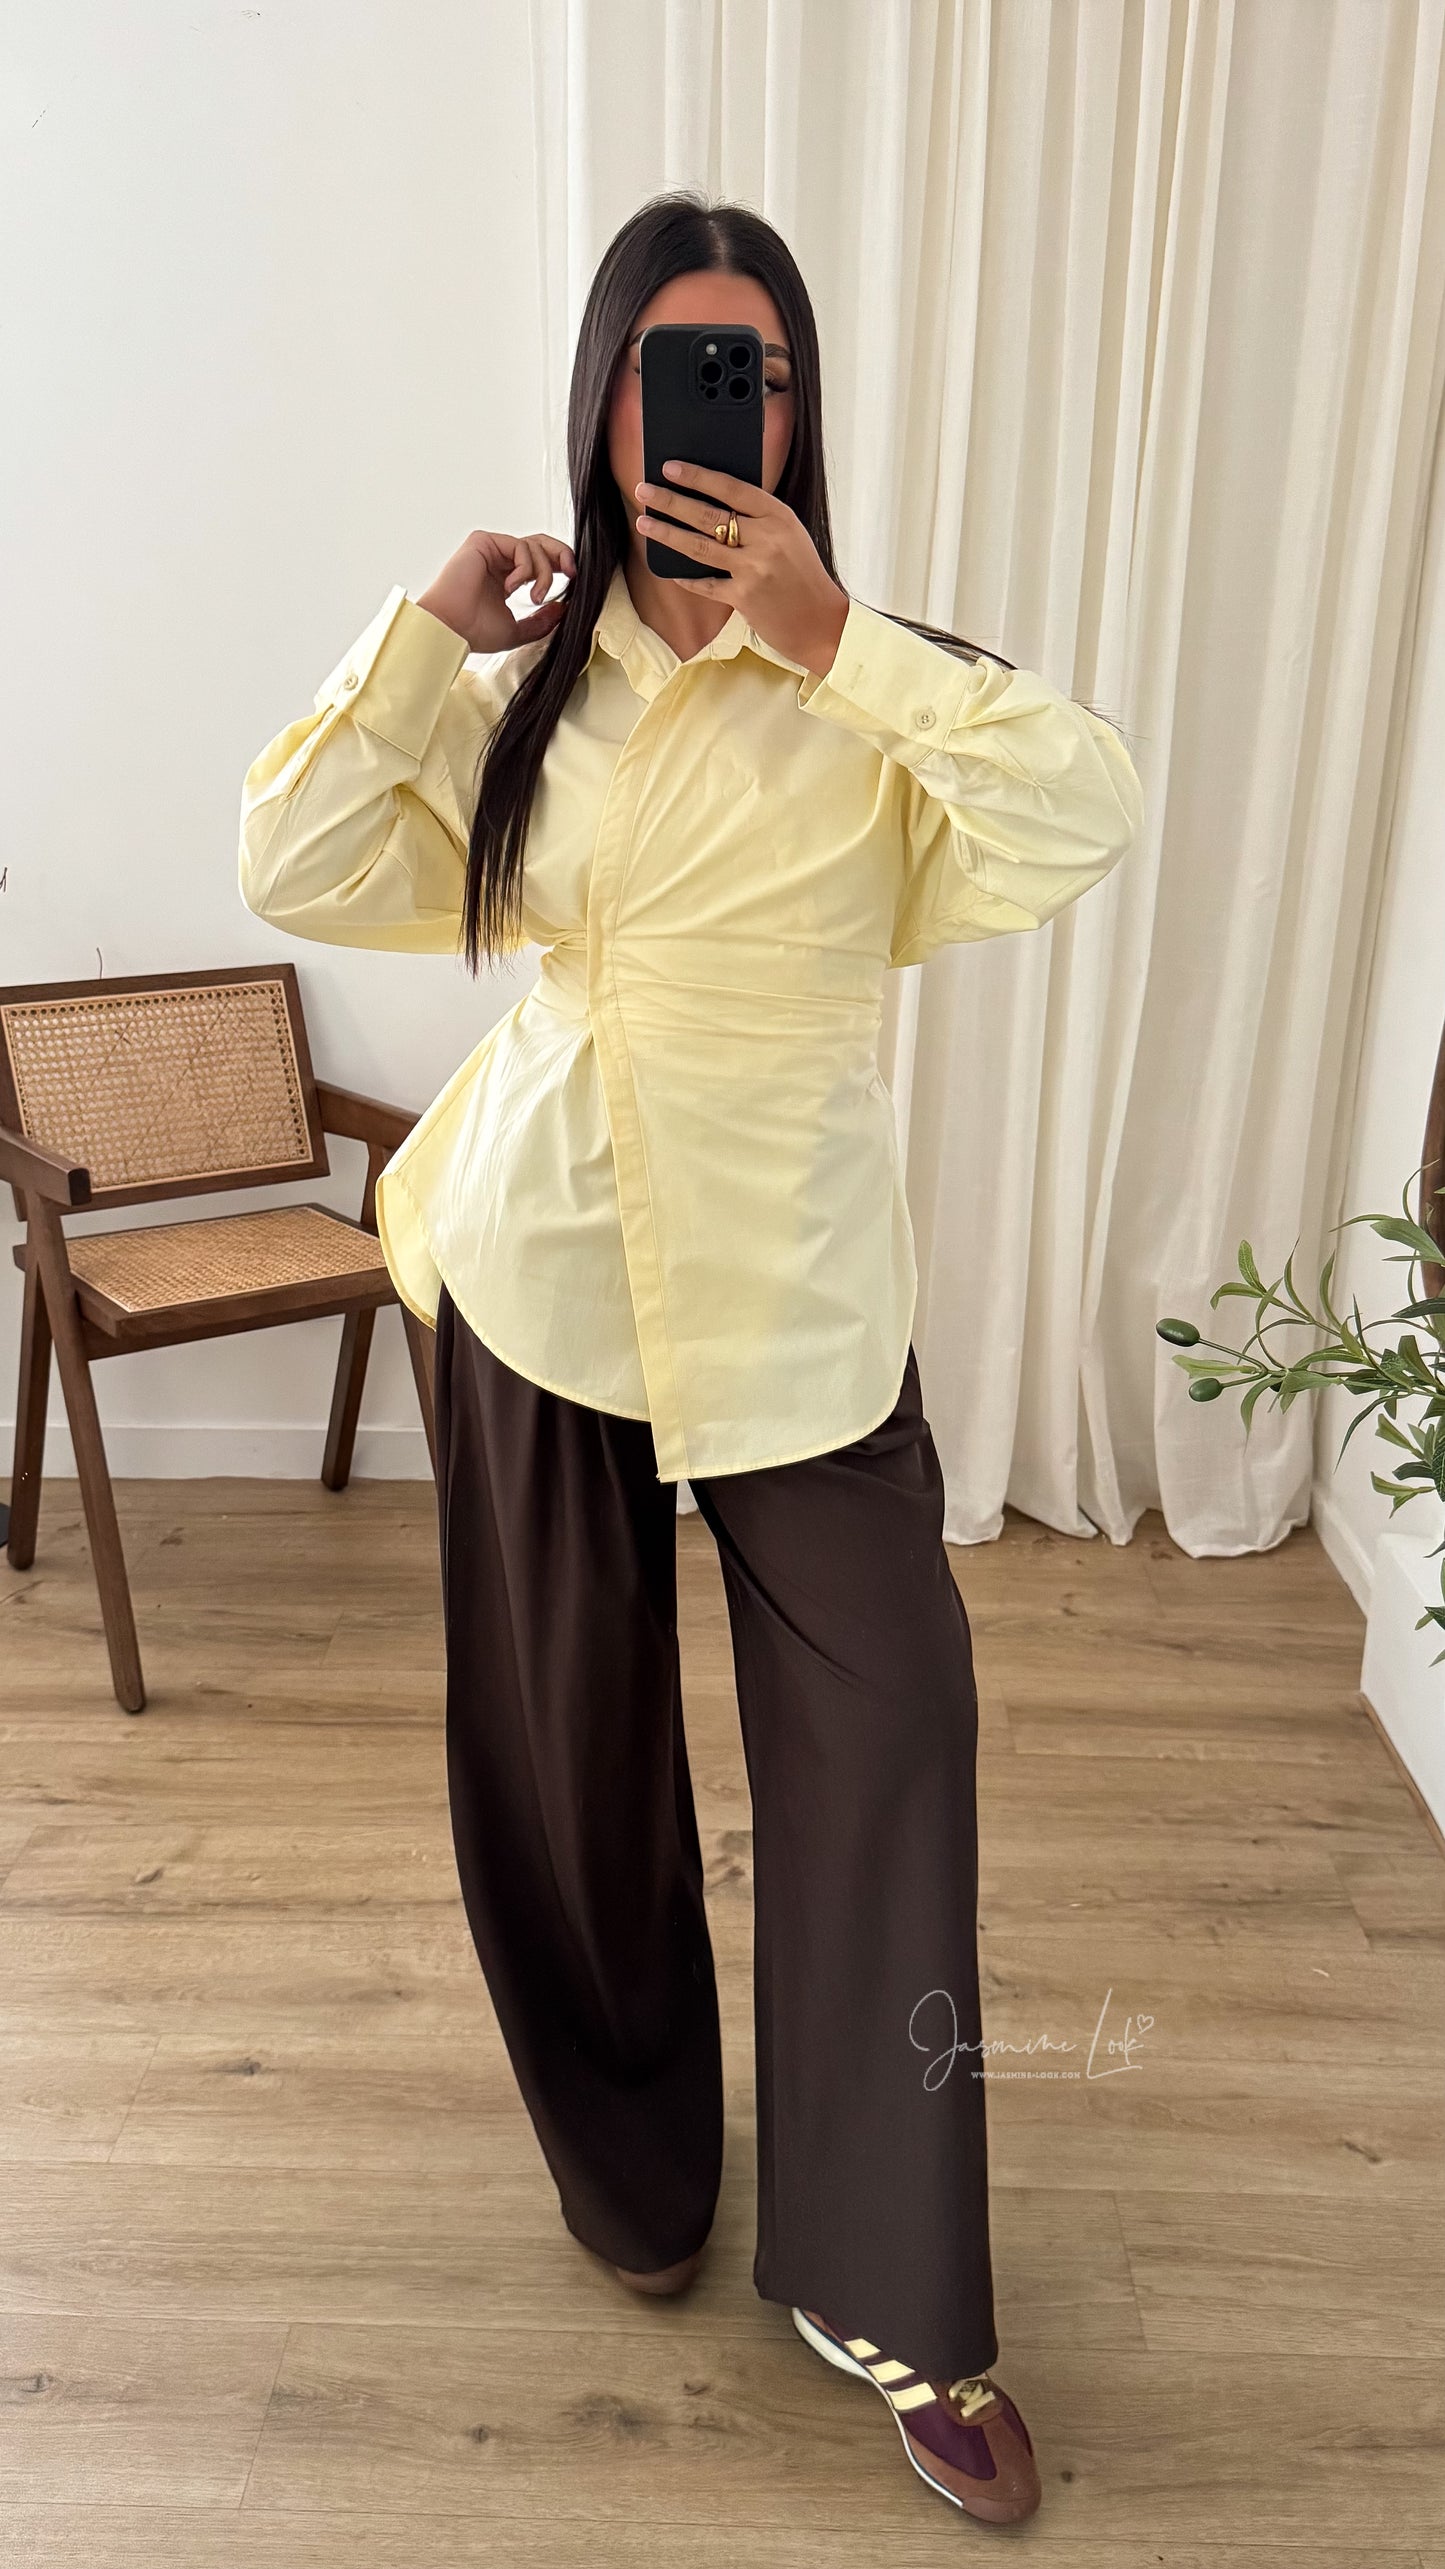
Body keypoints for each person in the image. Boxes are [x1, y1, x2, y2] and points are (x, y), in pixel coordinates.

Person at [238, 189, 1142, 2529]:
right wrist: (428, 635)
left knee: (893, 1743)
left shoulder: (876, 691)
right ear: (610, 401)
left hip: (799, 1310)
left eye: (755, 371)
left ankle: (899, 2298)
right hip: (543, 1275)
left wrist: (844, 646)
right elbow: (294, 858)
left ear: (800, 411)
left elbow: (1088, 806)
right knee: (569, 1761)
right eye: (671, 370)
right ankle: (636, 2173)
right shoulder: (523, 700)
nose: (712, 415)